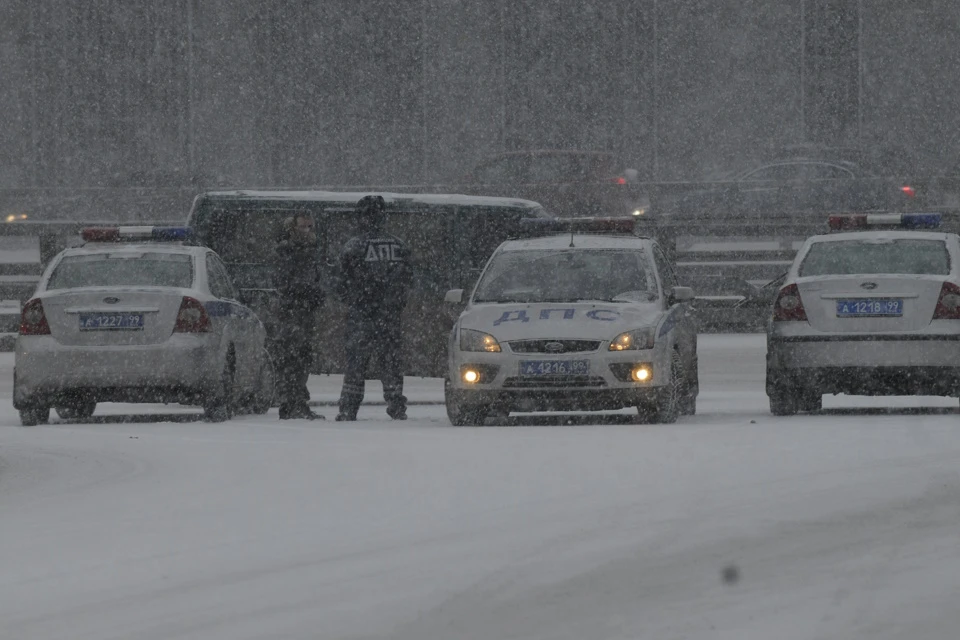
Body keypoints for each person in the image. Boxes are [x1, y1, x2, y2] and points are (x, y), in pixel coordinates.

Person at [335, 195, 413, 421]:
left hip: (361, 314)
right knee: (390, 361)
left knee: (356, 363)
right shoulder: (399, 245)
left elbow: (341, 283)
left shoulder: (353, 246)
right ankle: (396, 405)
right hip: (389, 315)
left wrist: (358, 299)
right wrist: (393, 303)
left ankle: (349, 408)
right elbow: (408, 280)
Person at [273, 214, 326, 420]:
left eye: (310, 227)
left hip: (304, 312)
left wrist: (316, 293)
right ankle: (291, 402)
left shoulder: (311, 251)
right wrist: (306, 293)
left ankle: (296, 401)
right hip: (292, 312)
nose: (307, 231)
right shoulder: (286, 251)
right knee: (292, 357)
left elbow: (315, 277)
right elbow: (283, 282)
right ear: (292, 228)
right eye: (303, 227)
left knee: (302, 357)